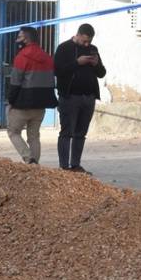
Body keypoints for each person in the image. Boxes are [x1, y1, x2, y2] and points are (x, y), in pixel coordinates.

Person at [53, 23, 106, 173]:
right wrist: (77, 62)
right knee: (66, 132)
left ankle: (75, 165)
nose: (86, 44)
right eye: (84, 41)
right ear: (78, 35)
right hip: (70, 97)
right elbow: (58, 71)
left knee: (80, 133)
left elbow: (102, 73)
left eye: (89, 41)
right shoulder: (64, 48)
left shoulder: (93, 49)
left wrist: (96, 64)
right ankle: (64, 167)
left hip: (88, 98)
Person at [6, 26, 57, 165]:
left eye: (19, 37)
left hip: (22, 105)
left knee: (13, 132)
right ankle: (35, 166)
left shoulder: (22, 57)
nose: (17, 40)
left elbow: (15, 83)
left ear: (26, 39)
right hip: (40, 106)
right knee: (34, 136)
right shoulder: (47, 58)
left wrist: (11, 101)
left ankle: (29, 159)